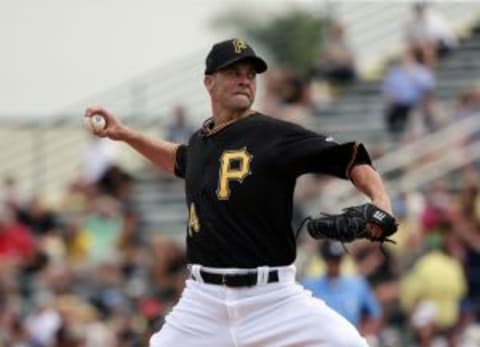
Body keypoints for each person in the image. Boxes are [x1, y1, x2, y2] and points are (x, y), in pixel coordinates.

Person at [84, 38, 394, 347]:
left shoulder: (275, 135)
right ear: (209, 82)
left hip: (273, 300)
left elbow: (352, 158)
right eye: (234, 72)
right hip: (202, 303)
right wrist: (127, 135)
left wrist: (382, 203)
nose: (245, 79)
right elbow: (180, 160)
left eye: (250, 73)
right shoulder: (202, 141)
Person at [302, 241, 381, 335]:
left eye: (337, 259)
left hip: (350, 340)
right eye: (330, 259)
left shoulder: (357, 284)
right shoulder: (310, 286)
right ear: (325, 259)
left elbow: (375, 314)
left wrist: (363, 335)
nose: (334, 264)